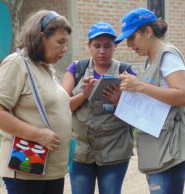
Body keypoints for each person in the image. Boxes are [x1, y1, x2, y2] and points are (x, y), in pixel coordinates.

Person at [0, 10, 72, 194]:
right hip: (27, 168)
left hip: (52, 169)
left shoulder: (45, 69)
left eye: (66, 43)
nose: (64, 49)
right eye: (60, 42)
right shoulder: (17, 64)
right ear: (41, 38)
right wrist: (38, 134)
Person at [115, 8, 185, 194]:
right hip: (160, 146)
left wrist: (139, 87)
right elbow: (156, 98)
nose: (129, 44)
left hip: (172, 148)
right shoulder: (151, 60)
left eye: (132, 37)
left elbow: (183, 96)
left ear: (148, 32)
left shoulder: (168, 56)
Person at [61, 22, 136, 194]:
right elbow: (62, 107)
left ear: (115, 46)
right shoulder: (76, 69)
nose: (102, 51)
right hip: (80, 151)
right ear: (89, 46)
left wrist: (118, 101)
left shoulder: (126, 71)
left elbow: (137, 113)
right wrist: (84, 94)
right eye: (97, 46)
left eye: (107, 46)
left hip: (115, 151)